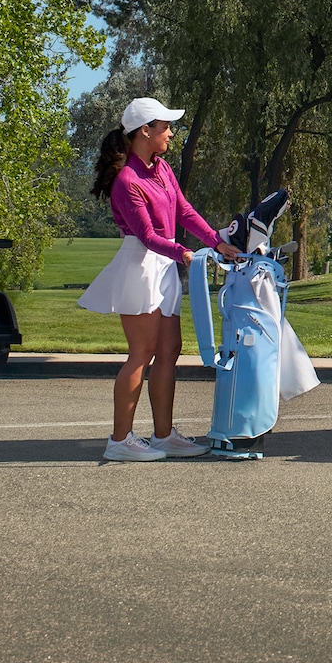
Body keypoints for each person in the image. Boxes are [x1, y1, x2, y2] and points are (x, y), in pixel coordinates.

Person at [78, 98, 240, 461]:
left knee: (169, 351)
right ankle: (120, 441)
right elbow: (148, 235)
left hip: (165, 267)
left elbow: (183, 210)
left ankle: (164, 436)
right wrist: (183, 252)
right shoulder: (127, 180)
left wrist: (216, 241)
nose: (171, 133)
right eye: (165, 126)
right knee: (142, 353)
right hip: (141, 267)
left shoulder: (162, 168)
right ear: (145, 131)